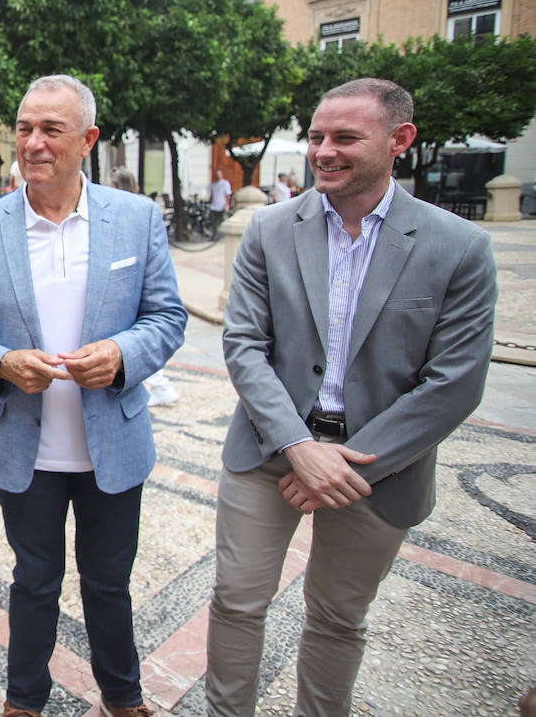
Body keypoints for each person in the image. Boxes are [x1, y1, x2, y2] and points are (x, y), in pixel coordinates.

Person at [206, 78, 498, 717]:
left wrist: (345, 463)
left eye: (345, 138)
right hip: (267, 447)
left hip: (380, 466)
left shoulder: (460, 247)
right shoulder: (270, 229)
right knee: (236, 601)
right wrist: (299, 448)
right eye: (315, 137)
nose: (324, 152)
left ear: (400, 141)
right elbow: (245, 345)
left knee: (338, 617)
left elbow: (455, 383)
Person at [0, 75, 186, 717]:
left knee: (109, 586)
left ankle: (123, 699)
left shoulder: (135, 220)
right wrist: (0, 362)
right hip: (26, 446)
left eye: (52, 129)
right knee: (33, 584)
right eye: (25, 128)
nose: (34, 143)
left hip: (114, 445)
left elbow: (167, 317)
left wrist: (125, 354)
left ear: (87, 141)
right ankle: (23, 702)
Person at [107, 168, 179, 407]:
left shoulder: (139, 209)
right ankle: (160, 384)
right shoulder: (131, 204)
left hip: (136, 278)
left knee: (141, 329)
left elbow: (167, 315)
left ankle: (160, 384)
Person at [208, 169, 233, 236]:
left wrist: (226, 204)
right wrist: (209, 203)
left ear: (222, 175)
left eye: (219, 174)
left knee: (223, 222)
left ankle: (223, 236)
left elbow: (228, 195)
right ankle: (215, 236)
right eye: (216, 175)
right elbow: (212, 195)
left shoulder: (225, 183)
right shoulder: (213, 184)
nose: (217, 176)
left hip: (222, 206)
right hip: (214, 206)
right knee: (214, 222)